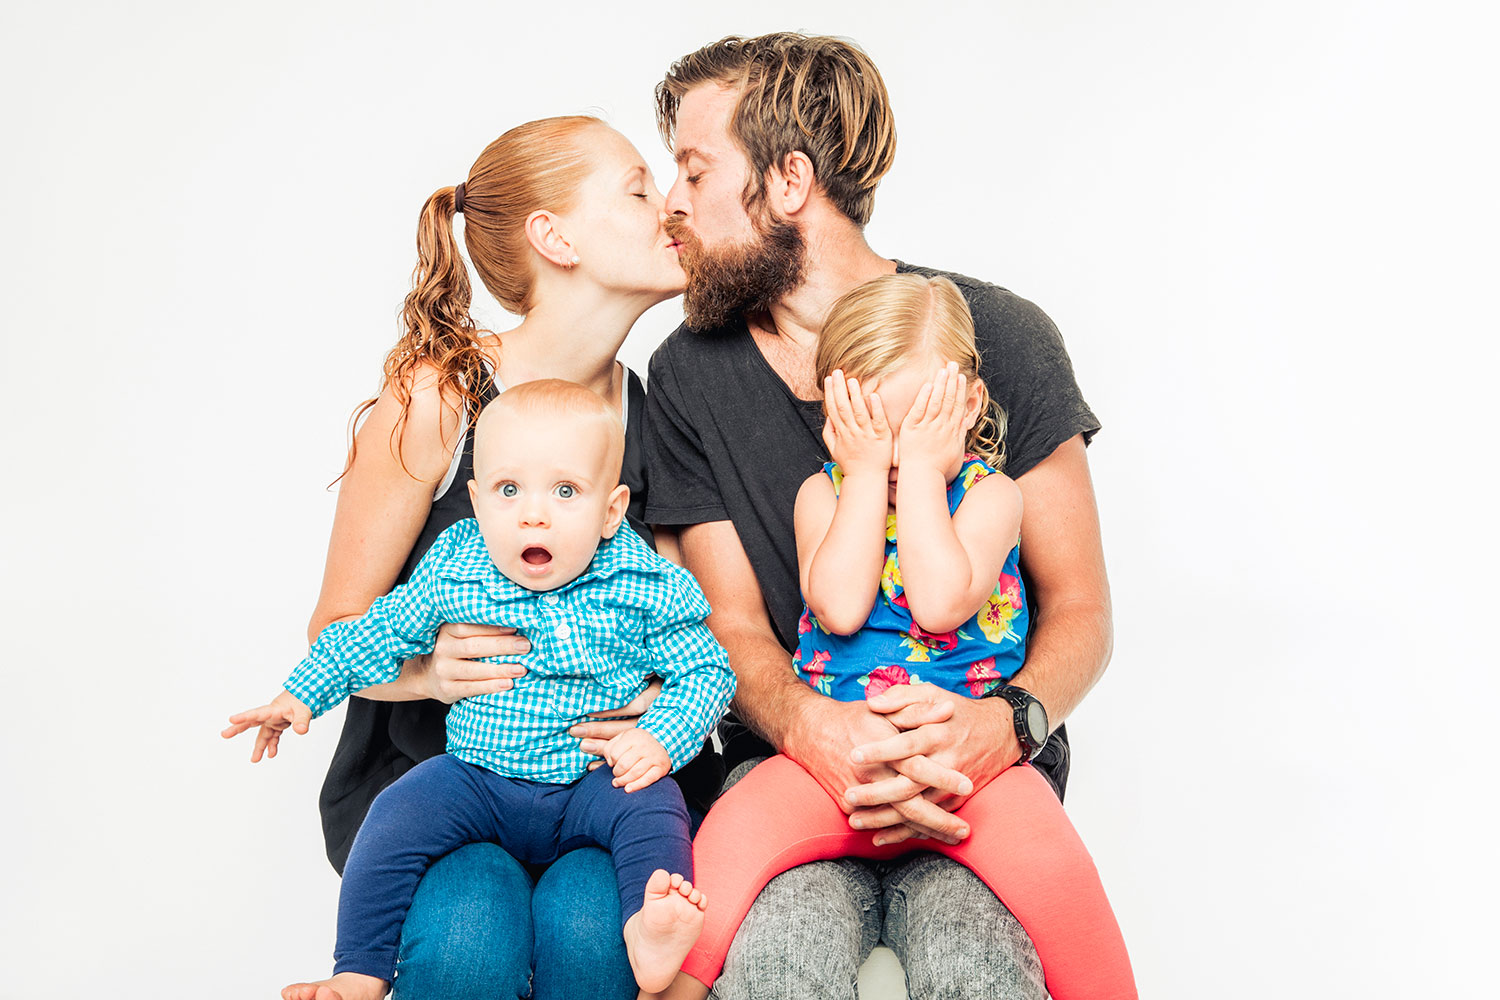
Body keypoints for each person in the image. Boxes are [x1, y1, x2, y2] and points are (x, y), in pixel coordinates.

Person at [635, 34, 1114, 998]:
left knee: (976, 964)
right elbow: (725, 624)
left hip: (974, 768)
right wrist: (820, 732)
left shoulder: (996, 339)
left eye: (694, 170)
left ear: (789, 181)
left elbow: (1083, 614)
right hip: (799, 760)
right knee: (775, 962)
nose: (672, 203)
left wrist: (1003, 727)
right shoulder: (689, 372)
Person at [284, 115, 715, 999]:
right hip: (441, 782)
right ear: (554, 238)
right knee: (470, 937)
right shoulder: (438, 395)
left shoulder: (648, 406)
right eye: (638, 188)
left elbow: (682, 617)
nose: (672, 204)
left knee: (596, 934)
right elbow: (335, 627)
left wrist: (651, 700)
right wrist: (430, 672)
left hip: (592, 790)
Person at [226, 381, 735, 1000]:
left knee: (656, 808)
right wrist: (298, 695)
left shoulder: (643, 581)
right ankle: (358, 970)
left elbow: (707, 672)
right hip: (480, 776)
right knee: (394, 814)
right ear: (477, 500)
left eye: (566, 491)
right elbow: (375, 633)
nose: (533, 514)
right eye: (508, 490)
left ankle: (649, 931)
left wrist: (660, 736)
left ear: (611, 509)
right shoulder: (458, 566)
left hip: (592, 780)